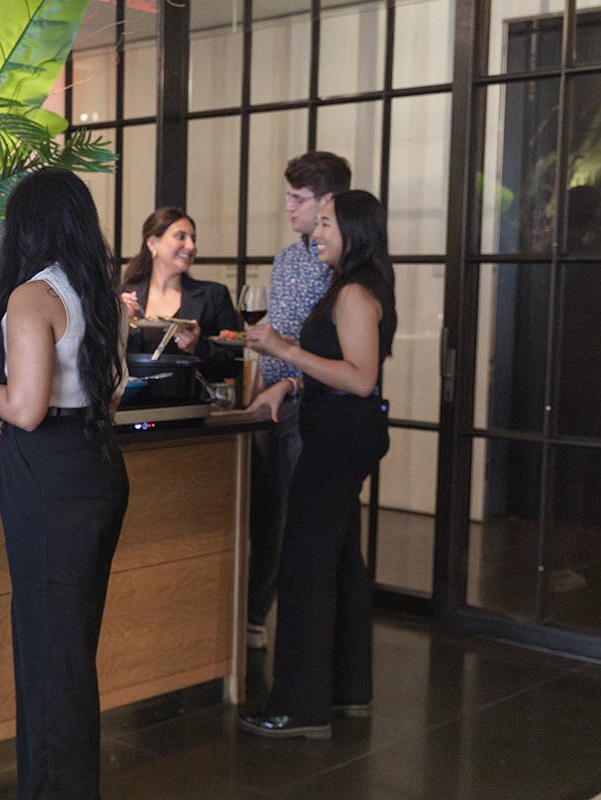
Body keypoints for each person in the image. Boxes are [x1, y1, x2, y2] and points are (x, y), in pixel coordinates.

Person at [0, 167, 129, 798]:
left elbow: (25, 408)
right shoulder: (99, 289)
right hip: (97, 465)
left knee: (50, 660)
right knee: (70, 652)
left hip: (48, 475)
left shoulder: (31, 297)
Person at [238, 189, 396, 739]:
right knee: (342, 563)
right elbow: (337, 367)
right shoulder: (355, 285)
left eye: (326, 223)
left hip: (338, 439)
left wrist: (284, 350)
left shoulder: (353, 292)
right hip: (344, 432)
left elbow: (359, 377)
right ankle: (349, 691)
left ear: (353, 230)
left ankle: (300, 709)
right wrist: (290, 384)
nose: (317, 233)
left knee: (304, 562)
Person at [247, 152, 352, 650]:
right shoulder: (288, 258)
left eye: (297, 198)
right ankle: (252, 615)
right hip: (268, 404)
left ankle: (303, 643)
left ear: (328, 201)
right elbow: (278, 338)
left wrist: (286, 383)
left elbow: (341, 363)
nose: (288, 206)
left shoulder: (344, 269)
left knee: (299, 527)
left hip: (310, 408)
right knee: (265, 513)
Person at [119, 207, 242, 381]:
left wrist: (198, 346)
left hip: (189, 402)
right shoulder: (122, 297)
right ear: (153, 243)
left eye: (193, 239)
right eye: (181, 237)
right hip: (133, 404)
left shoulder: (214, 295)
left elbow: (233, 365)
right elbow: (99, 359)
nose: (191, 246)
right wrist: (118, 324)